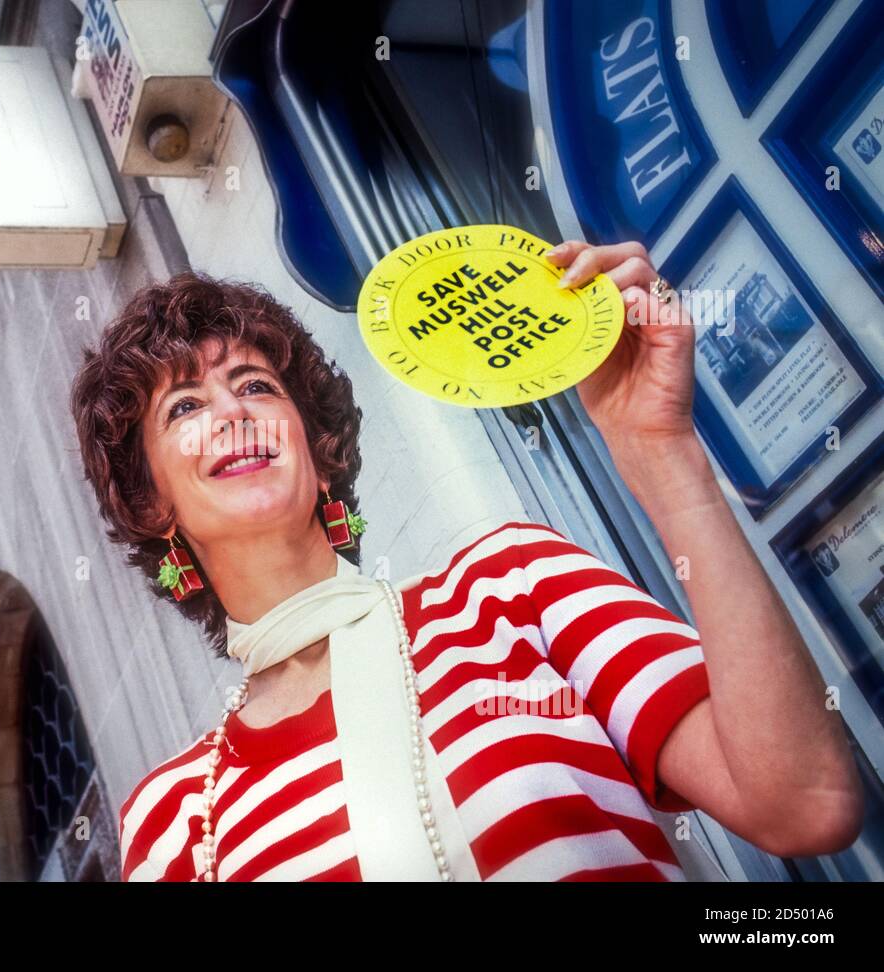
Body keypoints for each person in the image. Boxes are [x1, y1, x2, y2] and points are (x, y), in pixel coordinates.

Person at [69, 240, 865, 882]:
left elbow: (804, 803)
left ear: (317, 449)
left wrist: (660, 452)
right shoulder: (176, 819)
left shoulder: (512, 587)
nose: (234, 411)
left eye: (256, 385)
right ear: (150, 503)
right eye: (186, 406)